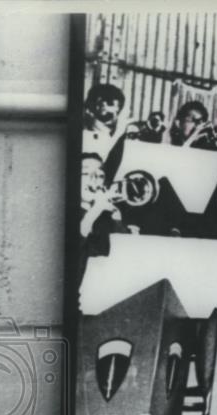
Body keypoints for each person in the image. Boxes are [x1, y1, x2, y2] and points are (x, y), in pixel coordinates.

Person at [78, 153, 129, 284]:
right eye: (85, 173)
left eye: (100, 175)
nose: (94, 178)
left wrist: (117, 219)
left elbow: (122, 258)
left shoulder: (104, 216)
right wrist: (96, 210)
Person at [82, 83, 128, 160]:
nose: (103, 104)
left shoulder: (113, 133)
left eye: (109, 102)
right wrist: (119, 132)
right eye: (98, 102)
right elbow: (98, 158)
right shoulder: (86, 135)